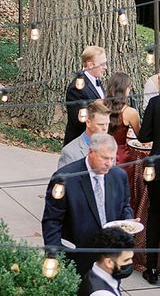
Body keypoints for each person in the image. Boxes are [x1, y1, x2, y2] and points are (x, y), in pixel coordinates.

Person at [42, 133, 134, 277]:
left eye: (112, 158)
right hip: (77, 257)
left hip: (110, 257)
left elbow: (124, 207)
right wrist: (54, 255)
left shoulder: (119, 176)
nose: (109, 164)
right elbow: (52, 220)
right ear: (91, 152)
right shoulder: (65, 178)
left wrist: (128, 222)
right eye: (104, 158)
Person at [137, 90, 160, 283]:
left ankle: (151, 267)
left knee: (155, 215)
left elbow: (144, 136)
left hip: (157, 169)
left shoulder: (155, 102)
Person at [64, 46, 108, 145]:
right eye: (102, 64)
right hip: (81, 144)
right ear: (90, 65)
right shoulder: (76, 88)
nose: (105, 67)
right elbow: (78, 121)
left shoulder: (96, 81)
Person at [58, 101, 111, 169]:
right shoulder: (69, 153)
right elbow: (63, 179)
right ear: (88, 123)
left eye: (107, 124)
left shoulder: (110, 147)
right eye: (100, 124)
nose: (105, 128)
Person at [106, 73, 142, 166]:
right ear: (124, 89)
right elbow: (141, 137)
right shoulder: (130, 112)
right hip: (121, 157)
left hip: (102, 152)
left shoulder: (100, 106)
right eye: (129, 87)